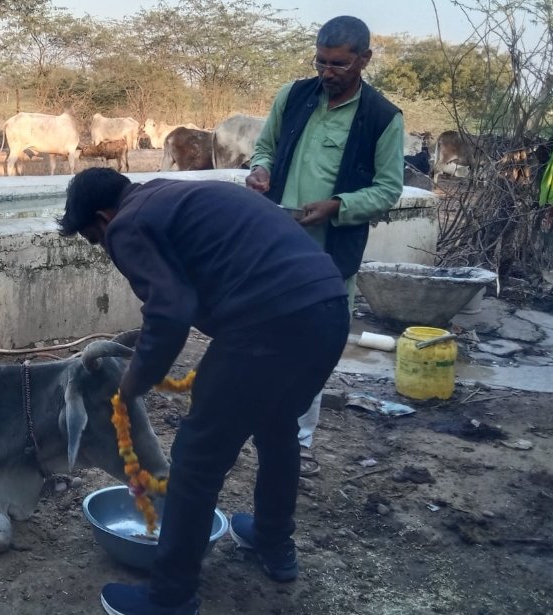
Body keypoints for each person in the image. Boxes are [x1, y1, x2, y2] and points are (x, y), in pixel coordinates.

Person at [58, 168, 350, 615]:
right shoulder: (169, 197)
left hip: (267, 324)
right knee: (277, 427)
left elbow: (171, 310)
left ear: (103, 217)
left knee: (197, 458)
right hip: (328, 311)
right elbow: (184, 294)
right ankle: (273, 542)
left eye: (96, 239)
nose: (106, 247)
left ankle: (170, 598)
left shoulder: (127, 223)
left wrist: (131, 384)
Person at [246, 16, 404, 479]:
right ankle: (255, 425)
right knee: (261, 335)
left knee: (313, 348)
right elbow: (265, 148)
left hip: (329, 256)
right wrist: (260, 170)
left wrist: (337, 206)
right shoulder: (293, 96)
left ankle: (298, 442)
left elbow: (388, 189)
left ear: (364, 60)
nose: (327, 73)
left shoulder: (383, 118)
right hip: (274, 245)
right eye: (321, 62)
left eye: (339, 64)